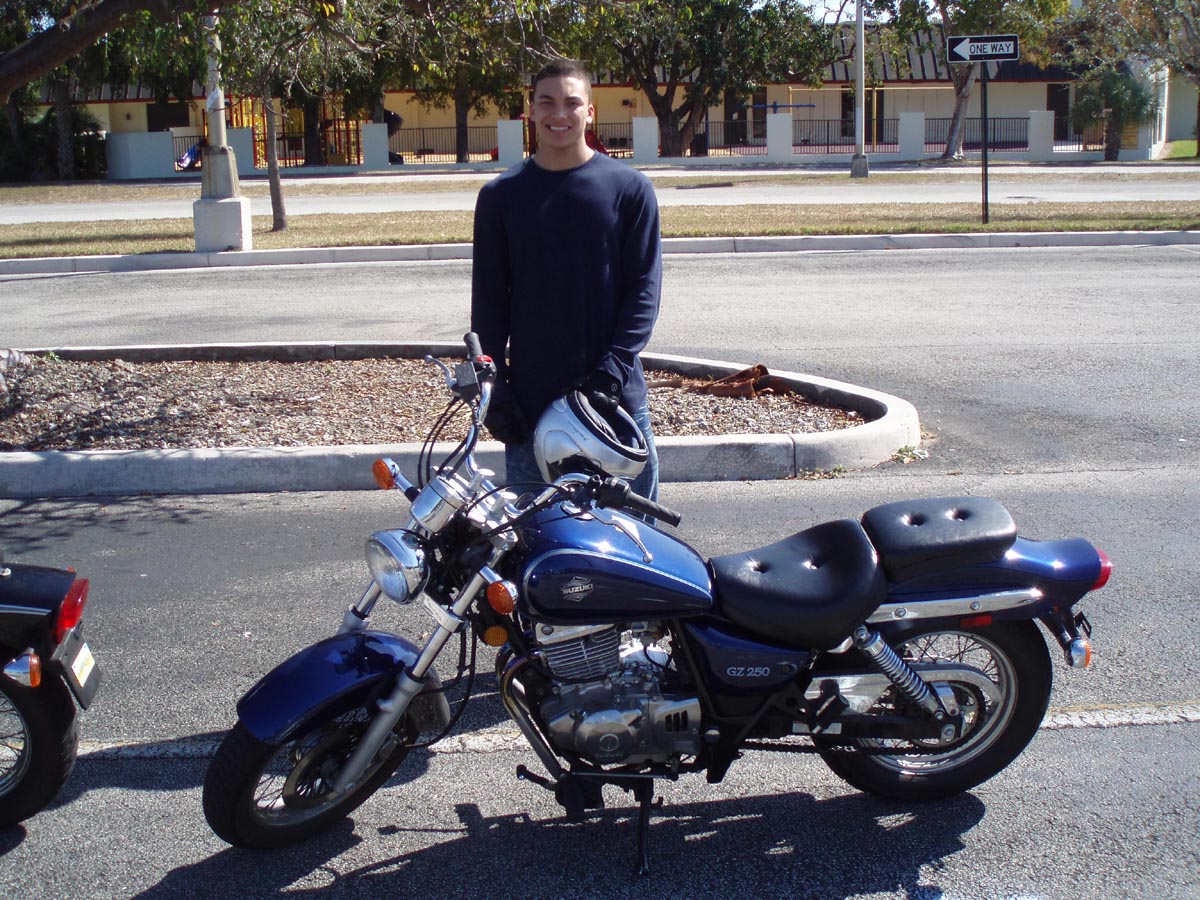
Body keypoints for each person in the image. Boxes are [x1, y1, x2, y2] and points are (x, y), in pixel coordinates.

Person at [470, 58, 662, 500]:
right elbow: (490, 302)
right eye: (547, 102)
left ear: (590, 112)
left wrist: (611, 373)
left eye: (572, 103)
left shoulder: (630, 190)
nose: (559, 114)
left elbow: (643, 289)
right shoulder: (501, 196)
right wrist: (496, 389)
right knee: (539, 534)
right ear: (531, 111)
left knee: (632, 535)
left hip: (615, 403)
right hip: (532, 411)